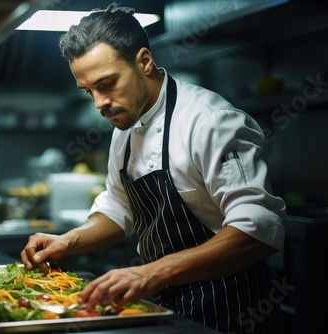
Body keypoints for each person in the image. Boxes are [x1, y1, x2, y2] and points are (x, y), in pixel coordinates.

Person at [20, 3, 286, 333]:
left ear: (144, 61)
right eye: (88, 91)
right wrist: (68, 242)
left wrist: (151, 272)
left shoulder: (210, 122)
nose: (99, 103)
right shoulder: (125, 128)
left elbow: (258, 231)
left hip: (231, 307)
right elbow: (118, 211)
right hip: (165, 306)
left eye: (107, 83)